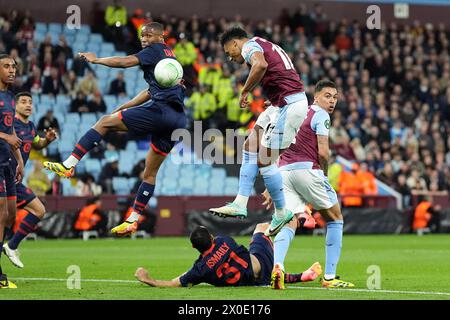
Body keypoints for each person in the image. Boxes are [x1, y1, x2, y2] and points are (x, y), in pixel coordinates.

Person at [43, 22, 186, 236]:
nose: (143, 38)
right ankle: (133, 220)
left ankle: (69, 165)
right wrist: (127, 105)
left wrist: (96, 59)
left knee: (103, 122)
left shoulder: (153, 51)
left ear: (160, 36)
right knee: (149, 173)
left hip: (160, 111)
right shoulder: (169, 58)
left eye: (148, 35)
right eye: (141, 35)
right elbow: (150, 91)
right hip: (177, 120)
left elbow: (124, 62)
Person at [210, 27, 308, 237]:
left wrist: (245, 90)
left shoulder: (249, 47)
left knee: (264, 160)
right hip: (280, 104)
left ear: (236, 43)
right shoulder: (263, 43)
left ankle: (282, 212)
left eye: (229, 52)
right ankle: (240, 203)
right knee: (250, 145)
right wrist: (274, 96)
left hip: (289, 106)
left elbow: (261, 65)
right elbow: (278, 69)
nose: (230, 57)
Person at [262, 80, 354, 288]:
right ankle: (329, 277)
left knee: (289, 221)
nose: (332, 101)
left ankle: (278, 267)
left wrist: (271, 179)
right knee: (335, 219)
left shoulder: (295, 112)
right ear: (316, 97)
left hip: (284, 172)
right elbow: (323, 150)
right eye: (327, 96)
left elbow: (277, 145)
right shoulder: (320, 115)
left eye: (335, 97)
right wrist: (324, 174)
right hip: (308, 170)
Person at [134, 222, 322, 288]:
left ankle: (300, 276)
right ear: (211, 236)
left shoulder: (199, 270)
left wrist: (149, 279)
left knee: (259, 274)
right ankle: (298, 223)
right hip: (263, 262)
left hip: (252, 282)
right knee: (262, 228)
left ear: (194, 247)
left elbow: (174, 283)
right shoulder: (225, 241)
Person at [2, 92, 57, 269]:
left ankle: (11, 246)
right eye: (23, 102)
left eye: (30, 102)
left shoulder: (31, 127)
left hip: (15, 180)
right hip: (3, 175)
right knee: (6, 218)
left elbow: (36, 143)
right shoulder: (9, 124)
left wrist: (46, 141)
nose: (28, 105)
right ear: (15, 105)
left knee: (39, 211)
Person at [0, 54, 24, 289]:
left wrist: (19, 161)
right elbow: (6, 134)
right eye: (6, 66)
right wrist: (5, 136)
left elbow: (11, 133)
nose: (11, 70)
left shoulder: (9, 97)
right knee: (0, 215)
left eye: (13, 67)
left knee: (10, 216)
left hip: (8, 161)